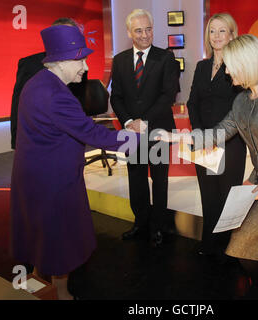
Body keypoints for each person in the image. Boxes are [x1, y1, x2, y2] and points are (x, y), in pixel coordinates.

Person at [157, 34, 258, 297]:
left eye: (230, 65)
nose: (226, 71)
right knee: (255, 235)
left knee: (242, 241)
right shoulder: (241, 100)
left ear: (246, 63)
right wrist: (177, 137)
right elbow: (219, 132)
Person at [10, 25, 141, 300]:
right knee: (60, 240)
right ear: (62, 61)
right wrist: (139, 140)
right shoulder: (57, 96)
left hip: (33, 178)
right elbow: (92, 133)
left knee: (40, 234)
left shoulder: (37, 82)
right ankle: (61, 294)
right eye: (80, 59)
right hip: (55, 182)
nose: (85, 66)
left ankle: (37, 282)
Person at [110, 9, 180, 247]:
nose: (145, 34)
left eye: (148, 29)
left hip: (158, 129)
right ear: (130, 32)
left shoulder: (166, 58)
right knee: (136, 178)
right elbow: (116, 97)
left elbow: (168, 95)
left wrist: (145, 121)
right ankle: (140, 222)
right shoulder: (119, 61)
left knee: (159, 180)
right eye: (139, 30)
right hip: (132, 132)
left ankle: (157, 226)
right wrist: (129, 122)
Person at [186, 13, 246, 263]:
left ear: (233, 35)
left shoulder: (240, 67)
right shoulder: (201, 66)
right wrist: (199, 131)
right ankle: (209, 241)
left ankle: (230, 246)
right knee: (208, 194)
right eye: (212, 31)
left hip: (229, 141)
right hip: (202, 141)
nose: (217, 36)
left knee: (227, 196)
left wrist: (216, 135)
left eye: (223, 31)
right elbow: (192, 102)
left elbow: (240, 107)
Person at [10, 17, 87, 150]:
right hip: (39, 141)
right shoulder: (29, 65)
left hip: (69, 138)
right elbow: (18, 104)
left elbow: (79, 101)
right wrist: (17, 142)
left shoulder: (79, 65)